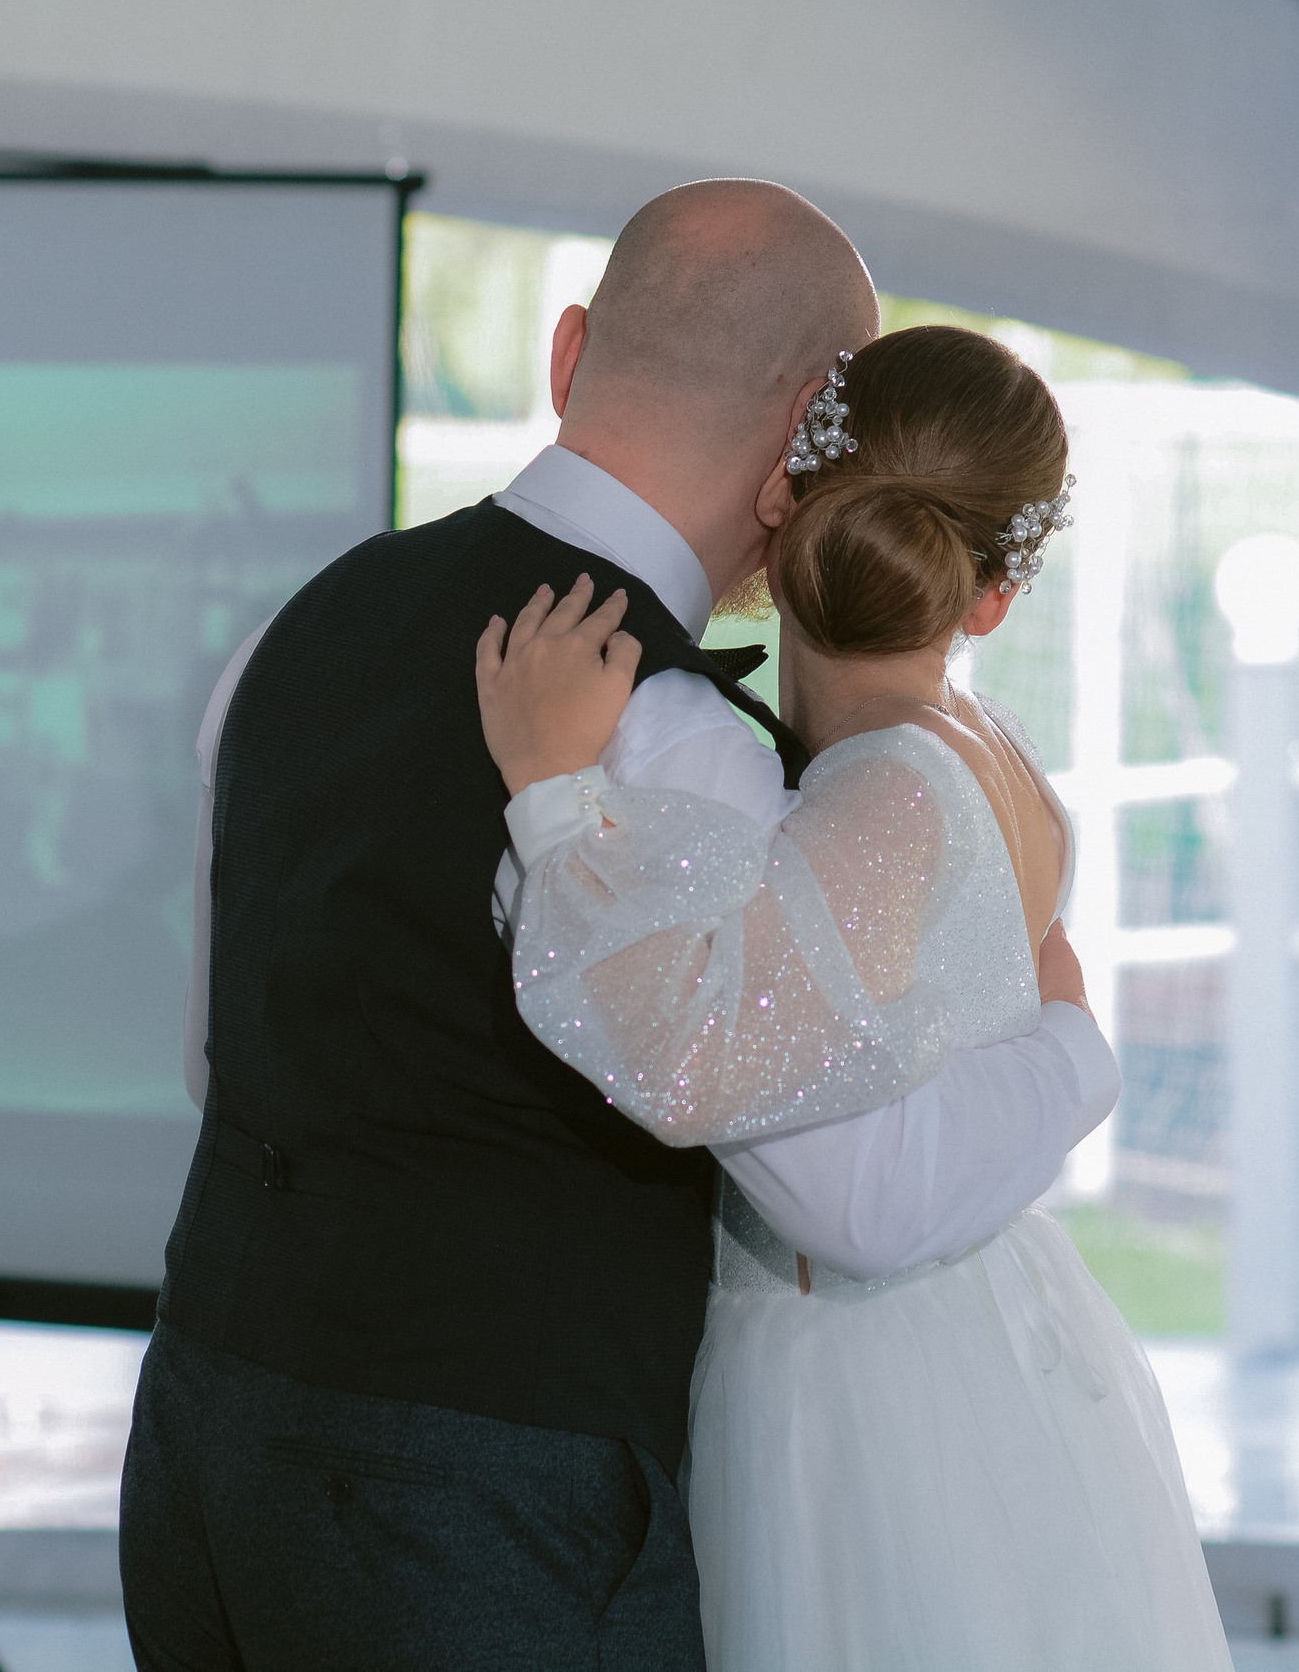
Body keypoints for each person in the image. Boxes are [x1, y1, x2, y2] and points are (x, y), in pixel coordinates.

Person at [120, 183, 1118, 1670]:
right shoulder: (670, 740)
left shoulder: (305, 620)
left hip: (201, 1437)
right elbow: (853, 1196)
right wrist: (1072, 1045)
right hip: (482, 1498)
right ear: (811, 437)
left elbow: (220, 1062)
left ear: (569, 352)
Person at [477, 325, 1232, 1668]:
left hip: (870, 1394)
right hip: (992, 1337)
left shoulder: (886, 790)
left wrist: (553, 798)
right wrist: (1071, 1054)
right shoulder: (985, 750)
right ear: (992, 597)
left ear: (784, 506)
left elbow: (710, 1058)